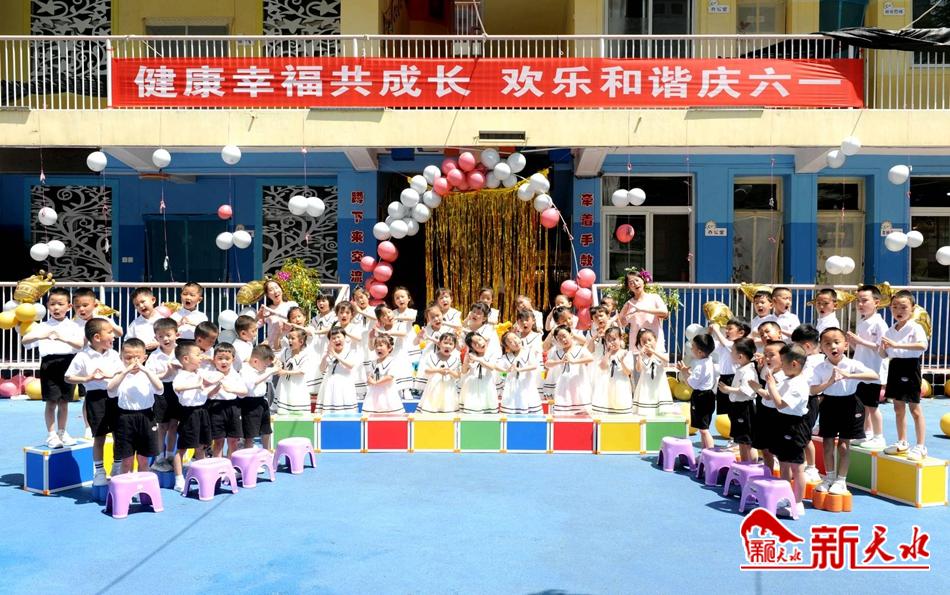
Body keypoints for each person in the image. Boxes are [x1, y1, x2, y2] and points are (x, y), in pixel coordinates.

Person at [810, 327, 879, 494]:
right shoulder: (820, 368)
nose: (833, 346)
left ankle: (841, 480)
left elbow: (874, 376)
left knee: (843, 444)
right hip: (829, 405)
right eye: (827, 344)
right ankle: (829, 477)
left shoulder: (853, 364)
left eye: (836, 342)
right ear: (821, 348)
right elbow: (812, 390)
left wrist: (850, 376)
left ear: (845, 345)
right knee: (827, 443)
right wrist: (829, 382)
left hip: (850, 404)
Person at [22, 287, 84, 448]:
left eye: (60, 304)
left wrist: (63, 338)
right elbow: (25, 341)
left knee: (64, 402)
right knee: (51, 402)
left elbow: (79, 345)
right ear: (47, 306)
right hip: (49, 365)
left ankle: (62, 432)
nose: (56, 308)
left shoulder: (74, 326)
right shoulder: (42, 326)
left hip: (68, 364)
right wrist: (40, 335)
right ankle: (51, 434)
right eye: (52, 304)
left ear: (69, 306)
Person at [64, 319, 123, 484]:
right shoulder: (82, 356)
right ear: (97, 337)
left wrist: (109, 376)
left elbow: (120, 373)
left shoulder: (113, 354)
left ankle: (117, 467)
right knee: (99, 436)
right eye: (109, 332)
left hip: (116, 396)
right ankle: (100, 471)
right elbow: (68, 377)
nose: (113, 336)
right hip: (95, 399)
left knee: (119, 434)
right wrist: (87, 378)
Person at [880, 290, 929, 461]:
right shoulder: (890, 330)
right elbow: (884, 354)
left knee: (914, 409)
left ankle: (921, 446)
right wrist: (882, 347)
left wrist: (896, 344)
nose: (898, 311)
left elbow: (922, 346)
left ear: (912, 308)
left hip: (910, 367)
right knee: (898, 407)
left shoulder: (915, 327)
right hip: (895, 367)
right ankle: (902, 442)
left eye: (903, 307)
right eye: (894, 307)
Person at [764, 344, 811, 519]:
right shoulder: (786, 380)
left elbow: (780, 404)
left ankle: (798, 503)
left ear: (794, 363)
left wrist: (771, 386)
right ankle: (785, 497)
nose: (781, 365)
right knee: (783, 463)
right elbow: (771, 397)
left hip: (795, 426)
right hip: (782, 423)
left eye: (783, 362)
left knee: (797, 467)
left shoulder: (799, 384)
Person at [107, 338, 163, 474]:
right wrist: (125, 371)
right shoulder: (119, 375)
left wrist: (145, 370)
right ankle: (125, 484)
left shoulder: (149, 375)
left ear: (144, 358)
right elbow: (110, 391)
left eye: (137, 358)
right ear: (121, 358)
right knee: (127, 460)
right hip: (125, 418)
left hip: (146, 417)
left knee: (143, 459)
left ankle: (143, 485)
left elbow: (160, 389)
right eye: (128, 358)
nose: (133, 362)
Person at [848, 284, 889, 449]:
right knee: (862, 405)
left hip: (874, 371)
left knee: (872, 406)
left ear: (876, 302)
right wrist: (852, 343)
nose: (860, 304)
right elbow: (861, 347)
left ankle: (879, 436)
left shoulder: (880, 323)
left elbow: (882, 348)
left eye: (864, 300)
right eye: (858, 300)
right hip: (861, 369)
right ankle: (867, 433)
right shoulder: (862, 322)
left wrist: (860, 341)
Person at [171, 343, 212, 492]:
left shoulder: (199, 372)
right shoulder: (181, 375)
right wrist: (196, 385)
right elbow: (178, 387)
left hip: (202, 412)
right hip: (189, 414)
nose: (201, 357)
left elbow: (213, 379)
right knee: (182, 448)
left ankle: (203, 474)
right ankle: (179, 478)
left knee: (201, 446)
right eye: (197, 355)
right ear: (186, 359)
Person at [144, 317, 180, 472]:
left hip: (179, 390)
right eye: (161, 336)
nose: (165, 339)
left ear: (176, 334)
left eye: (168, 335)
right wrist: (167, 373)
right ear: (156, 338)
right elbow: (150, 376)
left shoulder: (181, 352)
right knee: (162, 426)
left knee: (174, 424)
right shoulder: (154, 356)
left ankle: (170, 455)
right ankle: (159, 458)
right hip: (161, 392)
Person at [791, 324, 824, 483]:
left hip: (809, 401)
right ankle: (803, 464)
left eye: (796, 346)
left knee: (805, 436)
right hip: (800, 400)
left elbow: (811, 385)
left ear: (807, 346)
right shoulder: (806, 359)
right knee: (799, 434)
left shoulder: (815, 361)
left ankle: (812, 468)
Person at [717, 337, 758, 462]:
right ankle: (744, 465)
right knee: (741, 440)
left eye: (732, 352)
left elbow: (747, 390)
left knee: (747, 441)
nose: (730, 354)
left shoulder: (749, 371)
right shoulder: (742, 368)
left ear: (740, 356)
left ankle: (751, 466)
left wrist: (728, 389)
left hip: (745, 408)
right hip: (738, 407)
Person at [748, 340, 786, 472]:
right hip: (765, 412)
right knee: (765, 449)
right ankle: (767, 473)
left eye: (771, 355)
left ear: (783, 357)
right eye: (766, 355)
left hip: (776, 415)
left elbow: (769, 395)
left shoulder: (782, 376)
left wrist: (757, 388)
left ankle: (784, 477)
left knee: (779, 450)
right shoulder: (770, 371)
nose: (767, 358)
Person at [709, 318, 752, 426]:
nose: (726, 331)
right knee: (728, 410)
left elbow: (726, 343)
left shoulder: (739, 345)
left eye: (730, 329)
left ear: (741, 333)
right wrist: (710, 332)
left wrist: (717, 330)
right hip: (724, 378)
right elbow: (710, 345)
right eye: (726, 328)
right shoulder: (724, 344)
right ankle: (733, 432)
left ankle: (740, 433)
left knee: (736, 409)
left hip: (735, 378)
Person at [207, 343, 248, 457]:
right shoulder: (211, 374)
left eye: (227, 359)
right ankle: (218, 464)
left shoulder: (235, 374)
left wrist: (231, 389)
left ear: (233, 360)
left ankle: (232, 464)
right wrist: (214, 390)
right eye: (220, 358)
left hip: (233, 407)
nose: (223, 362)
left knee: (233, 440)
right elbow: (206, 395)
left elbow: (244, 392)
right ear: (214, 359)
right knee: (218, 441)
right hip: (216, 408)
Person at [677, 333, 716, 449]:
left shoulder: (699, 366)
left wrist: (684, 372)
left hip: (701, 397)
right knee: (703, 428)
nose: (691, 348)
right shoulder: (708, 360)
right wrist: (688, 373)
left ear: (699, 352)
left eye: (693, 346)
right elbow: (699, 378)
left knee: (704, 430)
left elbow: (691, 384)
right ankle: (705, 453)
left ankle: (710, 453)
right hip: (709, 395)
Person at [545, 325, 593, 416]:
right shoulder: (557, 352)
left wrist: (574, 361)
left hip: (578, 385)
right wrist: (560, 361)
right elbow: (547, 364)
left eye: (564, 336)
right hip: (563, 386)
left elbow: (590, 358)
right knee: (563, 413)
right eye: (559, 338)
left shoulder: (580, 349)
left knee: (581, 413)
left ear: (570, 335)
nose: (563, 340)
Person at [618, 271, 669, 353]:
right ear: (628, 287)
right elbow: (622, 323)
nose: (635, 284)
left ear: (643, 281)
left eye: (637, 280)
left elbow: (664, 312)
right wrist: (624, 311)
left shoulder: (655, 298)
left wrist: (642, 309)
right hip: (636, 344)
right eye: (631, 283)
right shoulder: (629, 303)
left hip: (654, 342)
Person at [369, 305, 413, 399]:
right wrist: (371, 338)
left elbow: (403, 334)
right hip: (387, 359)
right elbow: (372, 348)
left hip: (400, 355)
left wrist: (387, 333)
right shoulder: (379, 330)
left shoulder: (399, 324)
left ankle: (406, 390)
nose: (388, 315)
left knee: (403, 372)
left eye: (389, 312)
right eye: (384, 315)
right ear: (380, 320)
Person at [240, 344, 279, 449]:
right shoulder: (245, 369)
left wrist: (272, 368)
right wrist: (271, 370)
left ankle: (267, 451)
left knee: (266, 430)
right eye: (265, 365)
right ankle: (248, 454)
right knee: (250, 434)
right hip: (249, 404)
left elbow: (268, 379)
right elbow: (252, 383)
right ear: (255, 361)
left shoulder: (261, 369)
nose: (266, 367)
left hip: (262, 401)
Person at [497, 330, 542, 415]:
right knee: (511, 412)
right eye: (510, 342)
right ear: (507, 346)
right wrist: (506, 371)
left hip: (526, 386)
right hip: (512, 388)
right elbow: (496, 367)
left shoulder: (528, 351)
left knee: (529, 412)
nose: (515, 341)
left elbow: (534, 366)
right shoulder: (506, 357)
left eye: (515, 338)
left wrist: (520, 369)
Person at [316, 326, 359, 415]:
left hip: (344, 383)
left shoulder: (350, 350)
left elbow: (350, 365)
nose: (336, 340)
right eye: (333, 338)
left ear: (344, 337)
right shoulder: (328, 352)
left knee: (345, 410)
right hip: (329, 383)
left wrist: (335, 355)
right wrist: (326, 356)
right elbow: (322, 369)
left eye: (338, 337)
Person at [632, 328, 674, 417]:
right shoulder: (641, 356)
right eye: (644, 341)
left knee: (659, 399)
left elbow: (667, 360)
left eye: (649, 340)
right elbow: (638, 369)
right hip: (646, 383)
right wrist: (640, 355)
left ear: (655, 340)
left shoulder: (660, 353)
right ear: (640, 344)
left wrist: (653, 352)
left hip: (659, 383)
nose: (647, 343)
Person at [273, 328, 316, 415]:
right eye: (289, 338)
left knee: (298, 412)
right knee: (282, 411)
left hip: (297, 385)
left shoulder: (306, 354)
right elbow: (276, 359)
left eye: (292, 338)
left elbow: (302, 371)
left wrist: (285, 372)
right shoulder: (286, 351)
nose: (289, 340)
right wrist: (277, 364)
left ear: (301, 342)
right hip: (284, 384)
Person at [416, 333, 462, 414]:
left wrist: (450, 371)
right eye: (445, 343)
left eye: (450, 344)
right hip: (433, 387)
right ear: (439, 344)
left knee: (448, 410)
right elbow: (426, 371)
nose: (447, 346)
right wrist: (438, 370)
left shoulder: (455, 359)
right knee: (431, 409)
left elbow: (457, 375)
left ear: (454, 347)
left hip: (448, 388)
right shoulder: (432, 356)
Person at [593, 327, 634, 416]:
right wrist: (608, 353)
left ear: (620, 338)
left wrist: (622, 361)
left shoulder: (626, 353)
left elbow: (628, 372)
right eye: (608, 340)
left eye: (614, 339)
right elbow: (602, 367)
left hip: (621, 384)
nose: (611, 342)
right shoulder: (605, 355)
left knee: (621, 409)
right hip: (608, 385)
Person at [363, 335, 406, 415]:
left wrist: (376, 382)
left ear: (389, 348)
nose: (378, 348)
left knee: (390, 416)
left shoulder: (392, 361)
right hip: (373, 394)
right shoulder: (373, 362)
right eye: (376, 346)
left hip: (387, 394)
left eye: (381, 345)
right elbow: (370, 376)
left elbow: (390, 377)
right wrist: (369, 380)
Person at [459, 332, 498, 414]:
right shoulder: (471, 355)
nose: (479, 343)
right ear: (471, 347)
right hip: (472, 385)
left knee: (487, 409)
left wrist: (478, 359)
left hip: (486, 383)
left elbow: (492, 367)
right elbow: (464, 371)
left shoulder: (492, 353)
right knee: (472, 410)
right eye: (475, 344)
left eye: (480, 339)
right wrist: (466, 359)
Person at [257, 279, 298, 349]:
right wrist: (257, 317)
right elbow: (254, 326)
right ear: (267, 295)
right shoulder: (266, 310)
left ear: (281, 289)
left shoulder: (292, 305)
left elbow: (296, 321)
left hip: (290, 345)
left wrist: (275, 313)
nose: (275, 291)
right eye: (271, 290)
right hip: (273, 348)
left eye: (276, 287)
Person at [127, 287, 161, 352]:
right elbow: (128, 342)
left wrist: (158, 344)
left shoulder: (163, 319)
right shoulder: (134, 324)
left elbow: (173, 338)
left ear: (153, 300)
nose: (141, 306)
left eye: (143, 302)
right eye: (137, 305)